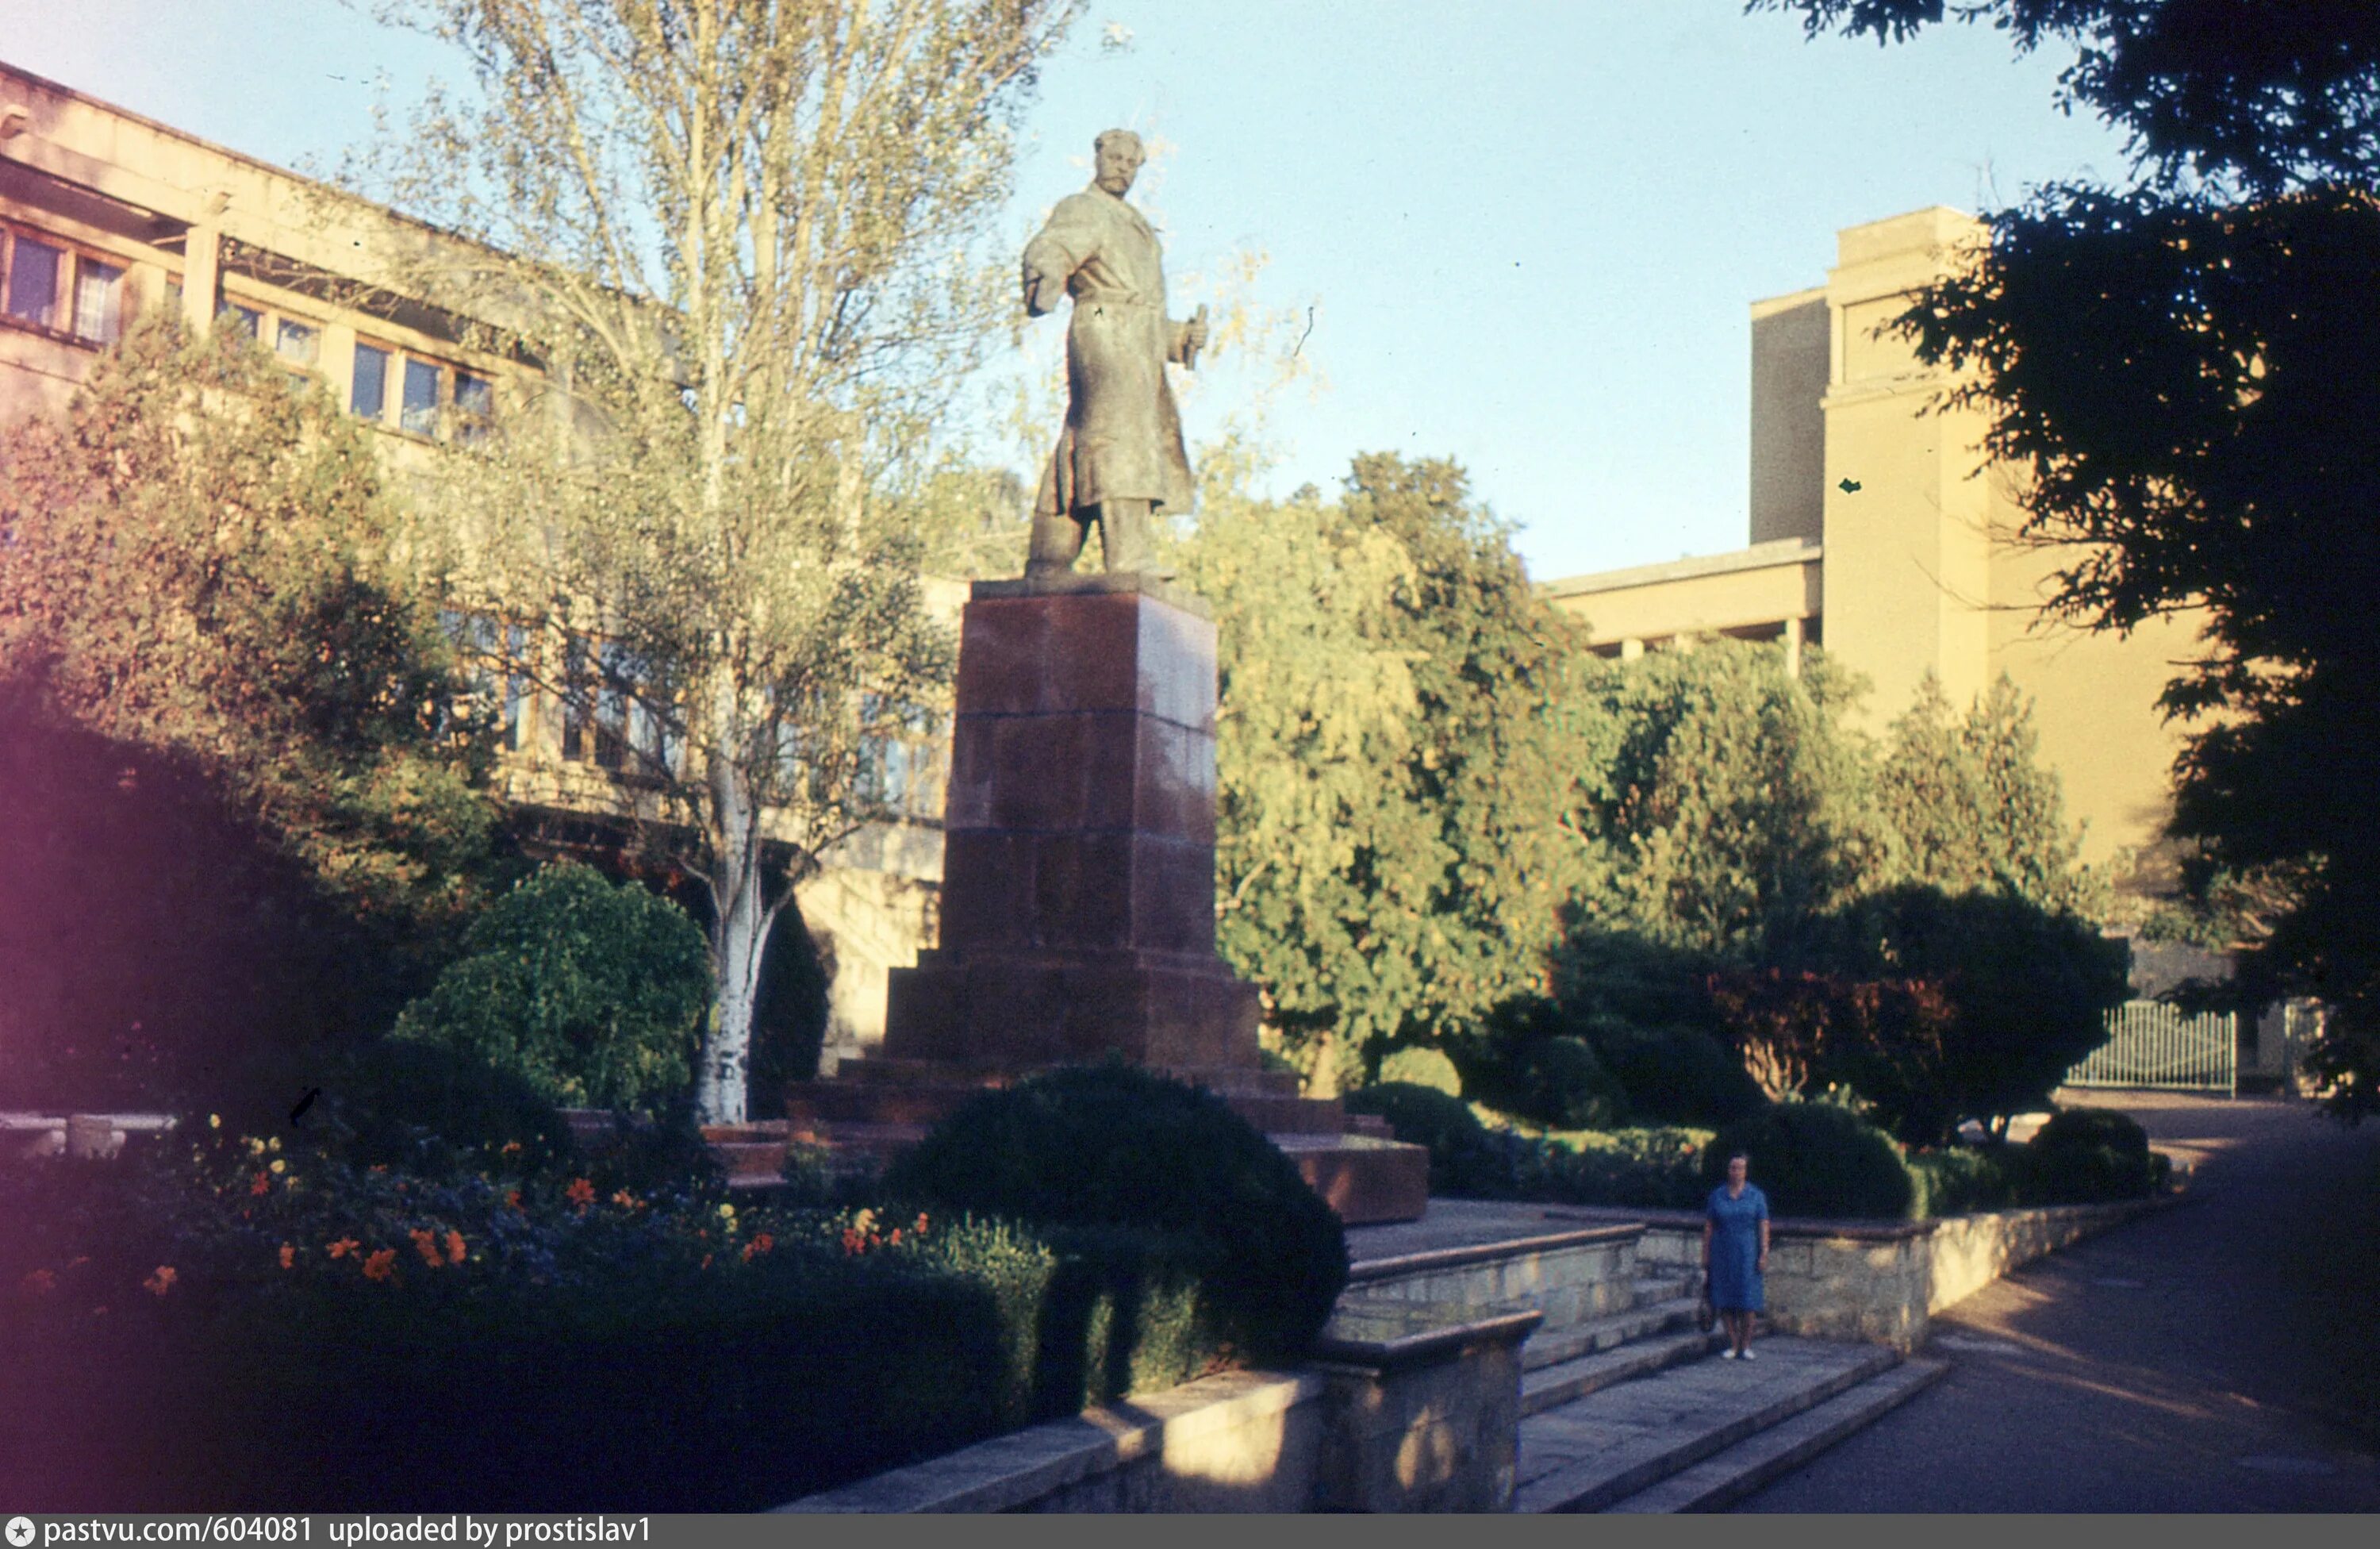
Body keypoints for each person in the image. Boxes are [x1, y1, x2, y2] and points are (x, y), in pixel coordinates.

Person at [1019, 128, 1207, 578]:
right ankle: (1129, 559)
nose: (1124, 168)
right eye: (1117, 158)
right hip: (1102, 324)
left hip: (1131, 335)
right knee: (1118, 437)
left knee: (1089, 438)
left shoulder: (1135, 224)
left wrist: (1180, 337)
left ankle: (1049, 557)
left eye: (1132, 163)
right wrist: (1044, 273)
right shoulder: (1084, 208)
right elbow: (1053, 247)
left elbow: (1140, 308)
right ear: (1098, 157)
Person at [1702, 1151, 1771, 1360]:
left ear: (1746, 1171)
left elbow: (1763, 1225)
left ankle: (1746, 1344)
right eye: (1733, 1168)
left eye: (1740, 1168)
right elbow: (1709, 1227)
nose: (1736, 1172)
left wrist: (1764, 1252)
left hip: (1747, 1252)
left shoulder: (1756, 1196)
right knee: (1724, 1299)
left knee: (1748, 1300)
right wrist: (1705, 1255)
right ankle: (1733, 1343)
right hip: (1722, 1252)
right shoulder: (1717, 1196)